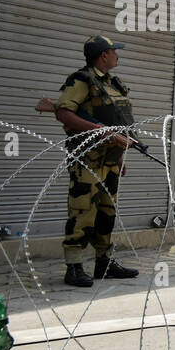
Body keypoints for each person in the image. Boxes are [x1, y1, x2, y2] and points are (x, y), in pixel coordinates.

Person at [54, 35, 141, 287]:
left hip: (110, 160)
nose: (117, 55)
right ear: (104, 55)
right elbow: (63, 112)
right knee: (82, 211)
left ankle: (104, 263)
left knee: (107, 212)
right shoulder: (82, 80)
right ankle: (74, 267)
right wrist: (98, 130)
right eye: (114, 51)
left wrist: (120, 156)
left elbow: (120, 122)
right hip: (88, 160)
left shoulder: (113, 83)